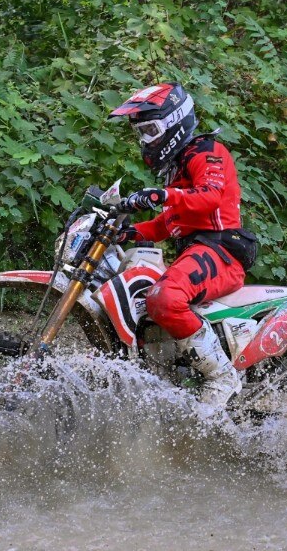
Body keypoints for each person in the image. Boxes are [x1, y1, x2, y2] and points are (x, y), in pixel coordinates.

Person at [108, 82, 257, 408]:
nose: (144, 140)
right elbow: (166, 224)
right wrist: (126, 233)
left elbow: (210, 197)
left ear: (174, 122)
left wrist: (161, 195)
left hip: (221, 252)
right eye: (140, 132)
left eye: (149, 129)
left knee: (165, 298)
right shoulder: (177, 167)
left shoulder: (207, 153)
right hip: (195, 251)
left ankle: (221, 376)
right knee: (144, 302)